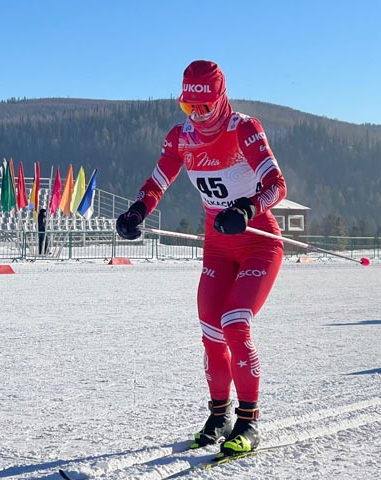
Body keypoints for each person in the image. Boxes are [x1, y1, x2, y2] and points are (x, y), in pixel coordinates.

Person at [116, 60, 287, 458]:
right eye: (188, 108)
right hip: (217, 247)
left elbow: (277, 185)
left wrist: (246, 208)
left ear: (220, 100)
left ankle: (248, 420)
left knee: (234, 323)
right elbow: (158, 181)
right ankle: (219, 416)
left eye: (204, 108)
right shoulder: (181, 137)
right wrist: (137, 211)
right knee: (211, 331)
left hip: (258, 244)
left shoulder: (243, 128)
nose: (196, 117)